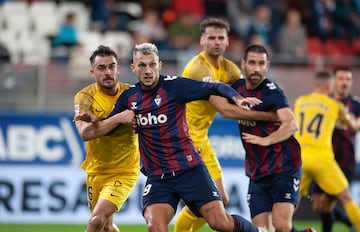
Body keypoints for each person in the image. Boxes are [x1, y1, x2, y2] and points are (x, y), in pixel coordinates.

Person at [75, 42, 268, 232]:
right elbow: (111, 125)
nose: (148, 70)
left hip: (190, 170)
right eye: (142, 65)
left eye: (152, 64)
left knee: (220, 223)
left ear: (159, 65)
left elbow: (213, 88)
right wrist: (96, 120)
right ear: (134, 68)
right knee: (154, 225)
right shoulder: (129, 97)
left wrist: (237, 98)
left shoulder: (175, 87)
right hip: (159, 177)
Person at [174, 17, 277, 232]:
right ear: (202, 40)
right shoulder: (197, 69)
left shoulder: (229, 69)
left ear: (227, 41)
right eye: (211, 37)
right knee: (208, 203)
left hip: (200, 139)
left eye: (221, 38)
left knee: (221, 198)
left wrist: (274, 100)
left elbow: (246, 92)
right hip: (184, 140)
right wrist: (270, 116)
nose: (216, 42)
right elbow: (226, 109)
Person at [230, 44, 313, 232]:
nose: (256, 68)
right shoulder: (237, 88)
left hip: (284, 167)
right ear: (243, 64)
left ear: (267, 66)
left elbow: (292, 124)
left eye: (261, 63)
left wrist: (268, 140)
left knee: (281, 225)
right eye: (252, 63)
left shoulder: (272, 91)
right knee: (261, 230)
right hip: (257, 170)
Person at [73, 45, 140, 232]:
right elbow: (86, 133)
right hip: (96, 171)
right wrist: (119, 118)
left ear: (118, 69)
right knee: (106, 227)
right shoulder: (85, 97)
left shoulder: (131, 94)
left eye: (111, 66)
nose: (107, 72)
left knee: (96, 221)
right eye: (101, 68)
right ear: (92, 71)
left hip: (124, 171)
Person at [293, 70, 360, 232]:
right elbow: (352, 125)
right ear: (330, 85)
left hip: (300, 158)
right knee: (345, 198)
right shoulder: (335, 105)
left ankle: (280, 228)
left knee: (292, 199)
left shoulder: (300, 101)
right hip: (323, 158)